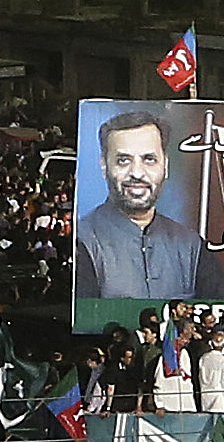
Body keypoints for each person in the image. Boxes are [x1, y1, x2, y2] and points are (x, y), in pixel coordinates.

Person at [78, 114, 213, 308]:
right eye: (123, 161)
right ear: (104, 166)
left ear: (165, 166)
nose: (137, 173)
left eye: (149, 159)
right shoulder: (83, 240)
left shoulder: (190, 245)